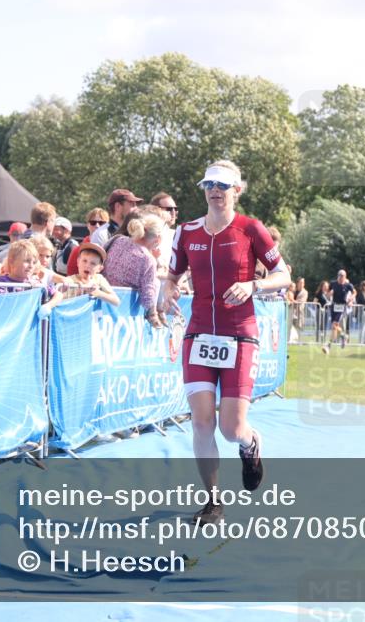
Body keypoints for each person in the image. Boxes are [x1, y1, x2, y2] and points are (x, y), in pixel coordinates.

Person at [160, 160, 290, 526]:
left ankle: (250, 444)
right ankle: (213, 502)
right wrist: (166, 292)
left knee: (231, 428)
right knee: (201, 422)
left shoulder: (251, 229)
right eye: (208, 184)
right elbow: (171, 277)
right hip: (199, 333)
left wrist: (253, 285)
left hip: (240, 332)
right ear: (203, 189)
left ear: (237, 190)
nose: (215, 190)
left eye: (223, 184)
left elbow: (283, 276)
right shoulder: (186, 232)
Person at [103, 213, 168, 328]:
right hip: (123, 312)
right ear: (158, 239)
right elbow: (148, 297)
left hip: (100, 300)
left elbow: (100, 258)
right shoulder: (147, 259)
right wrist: (153, 313)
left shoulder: (117, 239)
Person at [42, 242, 120, 313]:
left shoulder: (99, 279)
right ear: (78, 261)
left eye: (93, 263)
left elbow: (116, 301)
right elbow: (59, 304)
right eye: (84, 261)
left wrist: (98, 293)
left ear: (99, 268)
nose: (87, 266)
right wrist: (78, 294)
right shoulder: (69, 281)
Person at [67, 208, 108, 276]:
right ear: (88, 225)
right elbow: (71, 275)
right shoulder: (77, 250)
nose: (97, 226)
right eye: (93, 222)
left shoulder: (113, 247)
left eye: (101, 223)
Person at [323, 269, 356, 353]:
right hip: (334, 306)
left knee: (334, 326)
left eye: (342, 276)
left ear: (345, 277)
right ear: (337, 276)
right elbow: (328, 292)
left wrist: (351, 299)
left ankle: (328, 345)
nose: (341, 278)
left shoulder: (348, 285)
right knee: (334, 327)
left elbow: (355, 292)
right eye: (339, 276)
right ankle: (343, 336)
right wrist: (328, 294)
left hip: (342, 307)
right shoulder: (333, 283)